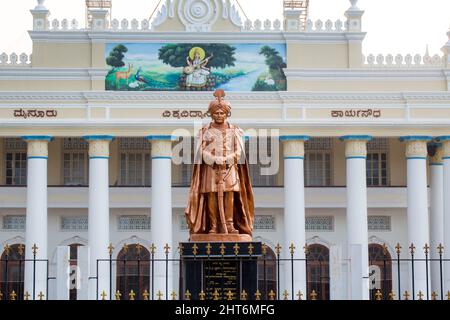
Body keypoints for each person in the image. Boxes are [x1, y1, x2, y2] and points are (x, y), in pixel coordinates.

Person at [185, 89, 254, 237]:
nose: (219, 115)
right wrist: (213, 159)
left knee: (230, 195)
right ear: (211, 114)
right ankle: (214, 225)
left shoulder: (235, 130)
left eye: (222, 113)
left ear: (227, 114)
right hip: (211, 169)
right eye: (216, 113)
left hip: (229, 168)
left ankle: (229, 224)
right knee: (211, 195)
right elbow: (201, 151)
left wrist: (227, 160)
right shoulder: (204, 131)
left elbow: (239, 151)